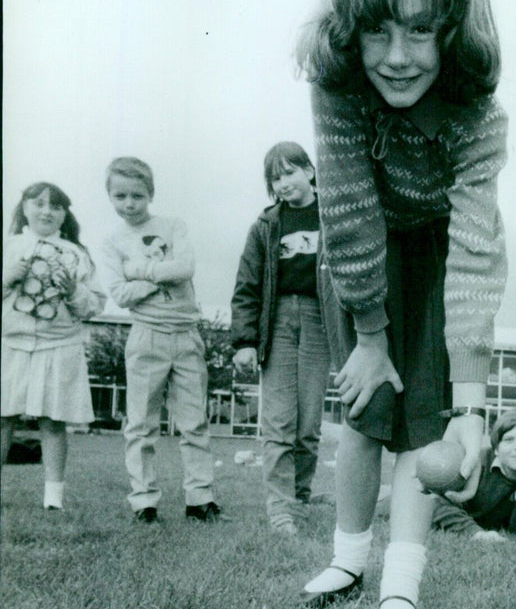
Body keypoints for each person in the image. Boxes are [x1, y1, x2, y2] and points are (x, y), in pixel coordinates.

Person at [294, 0, 508, 609]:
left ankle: (401, 587)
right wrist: (371, 336)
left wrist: (472, 405)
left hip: (440, 262)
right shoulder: (340, 91)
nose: (397, 55)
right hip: (362, 261)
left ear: (453, 30)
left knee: (425, 429)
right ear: (352, 31)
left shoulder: (478, 116)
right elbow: (348, 212)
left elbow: (478, 246)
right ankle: (349, 560)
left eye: (420, 31)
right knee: (363, 412)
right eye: (379, 30)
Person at [103, 156, 220, 523]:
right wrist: (161, 277)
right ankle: (144, 503)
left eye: (137, 195)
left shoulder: (172, 225)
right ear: (110, 196)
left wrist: (140, 271)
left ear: (150, 193)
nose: (129, 204)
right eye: (120, 196)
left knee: (194, 422)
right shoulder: (112, 242)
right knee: (140, 423)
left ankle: (200, 501)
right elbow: (120, 294)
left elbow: (185, 268)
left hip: (186, 334)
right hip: (146, 336)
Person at [230, 142, 330, 535]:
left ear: (309, 170)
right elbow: (246, 286)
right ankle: (281, 510)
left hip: (321, 323)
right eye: (275, 177)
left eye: (289, 172)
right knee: (279, 424)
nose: (283, 183)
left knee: (308, 426)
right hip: (279, 322)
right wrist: (244, 341)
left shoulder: (333, 216)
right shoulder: (266, 226)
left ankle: (300, 499)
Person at [1, 182, 106, 508]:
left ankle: (53, 498)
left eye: (56, 206)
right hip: (11, 342)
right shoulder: (9, 247)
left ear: (65, 214)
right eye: (39, 203)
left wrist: (74, 290)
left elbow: (94, 305)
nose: (47, 211)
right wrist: (7, 278)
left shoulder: (77, 254)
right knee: (3, 418)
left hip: (58, 345)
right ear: (24, 208)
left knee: (53, 420)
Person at [430, 409, 516, 540]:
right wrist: (474, 532)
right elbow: (437, 503)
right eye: (509, 440)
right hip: (468, 520)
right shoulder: (477, 463)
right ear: (496, 450)